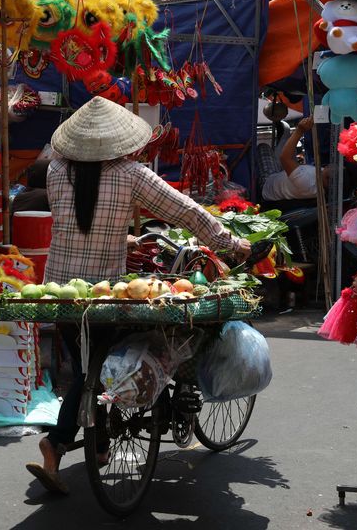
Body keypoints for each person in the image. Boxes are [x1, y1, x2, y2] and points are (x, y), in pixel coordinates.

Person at [24, 97, 251, 494]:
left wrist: (120, 237)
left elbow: (80, 221)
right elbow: (186, 212)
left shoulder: (56, 170)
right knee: (94, 370)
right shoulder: (131, 174)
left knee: (83, 366)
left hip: (58, 291)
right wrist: (230, 243)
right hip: (106, 297)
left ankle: (98, 445)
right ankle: (56, 442)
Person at [261, 117, 330, 202]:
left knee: (263, 147)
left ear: (327, 179)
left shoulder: (306, 181)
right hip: (287, 175)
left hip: (269, 184)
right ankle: (282, 138)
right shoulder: (323, 180)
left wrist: (300, 130)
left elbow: (284, 158)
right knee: (286, 132)